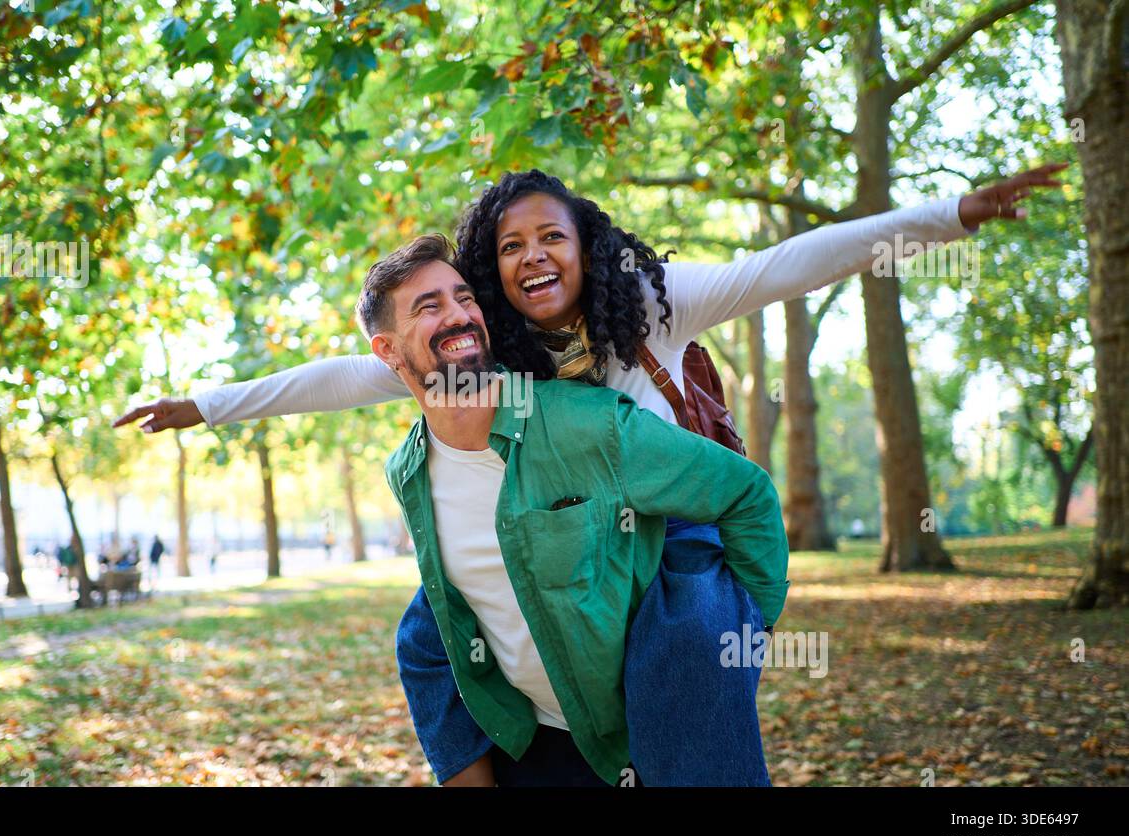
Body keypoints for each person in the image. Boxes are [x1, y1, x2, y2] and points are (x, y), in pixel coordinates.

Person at [114, 165, 1063, 782]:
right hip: (568, 524)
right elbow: (348, 376)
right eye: (510, 246)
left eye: (551, 237)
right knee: (429, 624)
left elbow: (796, 261)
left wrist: (945, 216)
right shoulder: (494, 339)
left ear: (586, 245)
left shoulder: (655, 302)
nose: (533, 256)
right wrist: (208, 402)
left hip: (674, 524)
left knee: (680, 647)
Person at [356, 235, 787, 784]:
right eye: (429, 306)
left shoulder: (590, 425)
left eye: (464, 298)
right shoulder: (409, 469)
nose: (459, 316)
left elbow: (744, 491)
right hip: (540, 748)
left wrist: (753, 626)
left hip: (660, 739)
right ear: (388, 351)